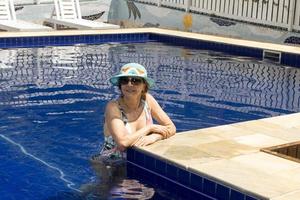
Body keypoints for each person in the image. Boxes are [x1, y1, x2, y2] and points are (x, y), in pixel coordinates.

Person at [87, 63, 176, 199]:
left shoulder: (148, 100)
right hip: (110, 162)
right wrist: (150, 128)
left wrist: (154, 137)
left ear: (144, 86)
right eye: (125, 80)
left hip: (135, 160)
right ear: (120, 86)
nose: (130, 84)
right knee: (104, 191)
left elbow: (171, 127)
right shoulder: (113, 107)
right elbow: (122, 143)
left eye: (135, 80)